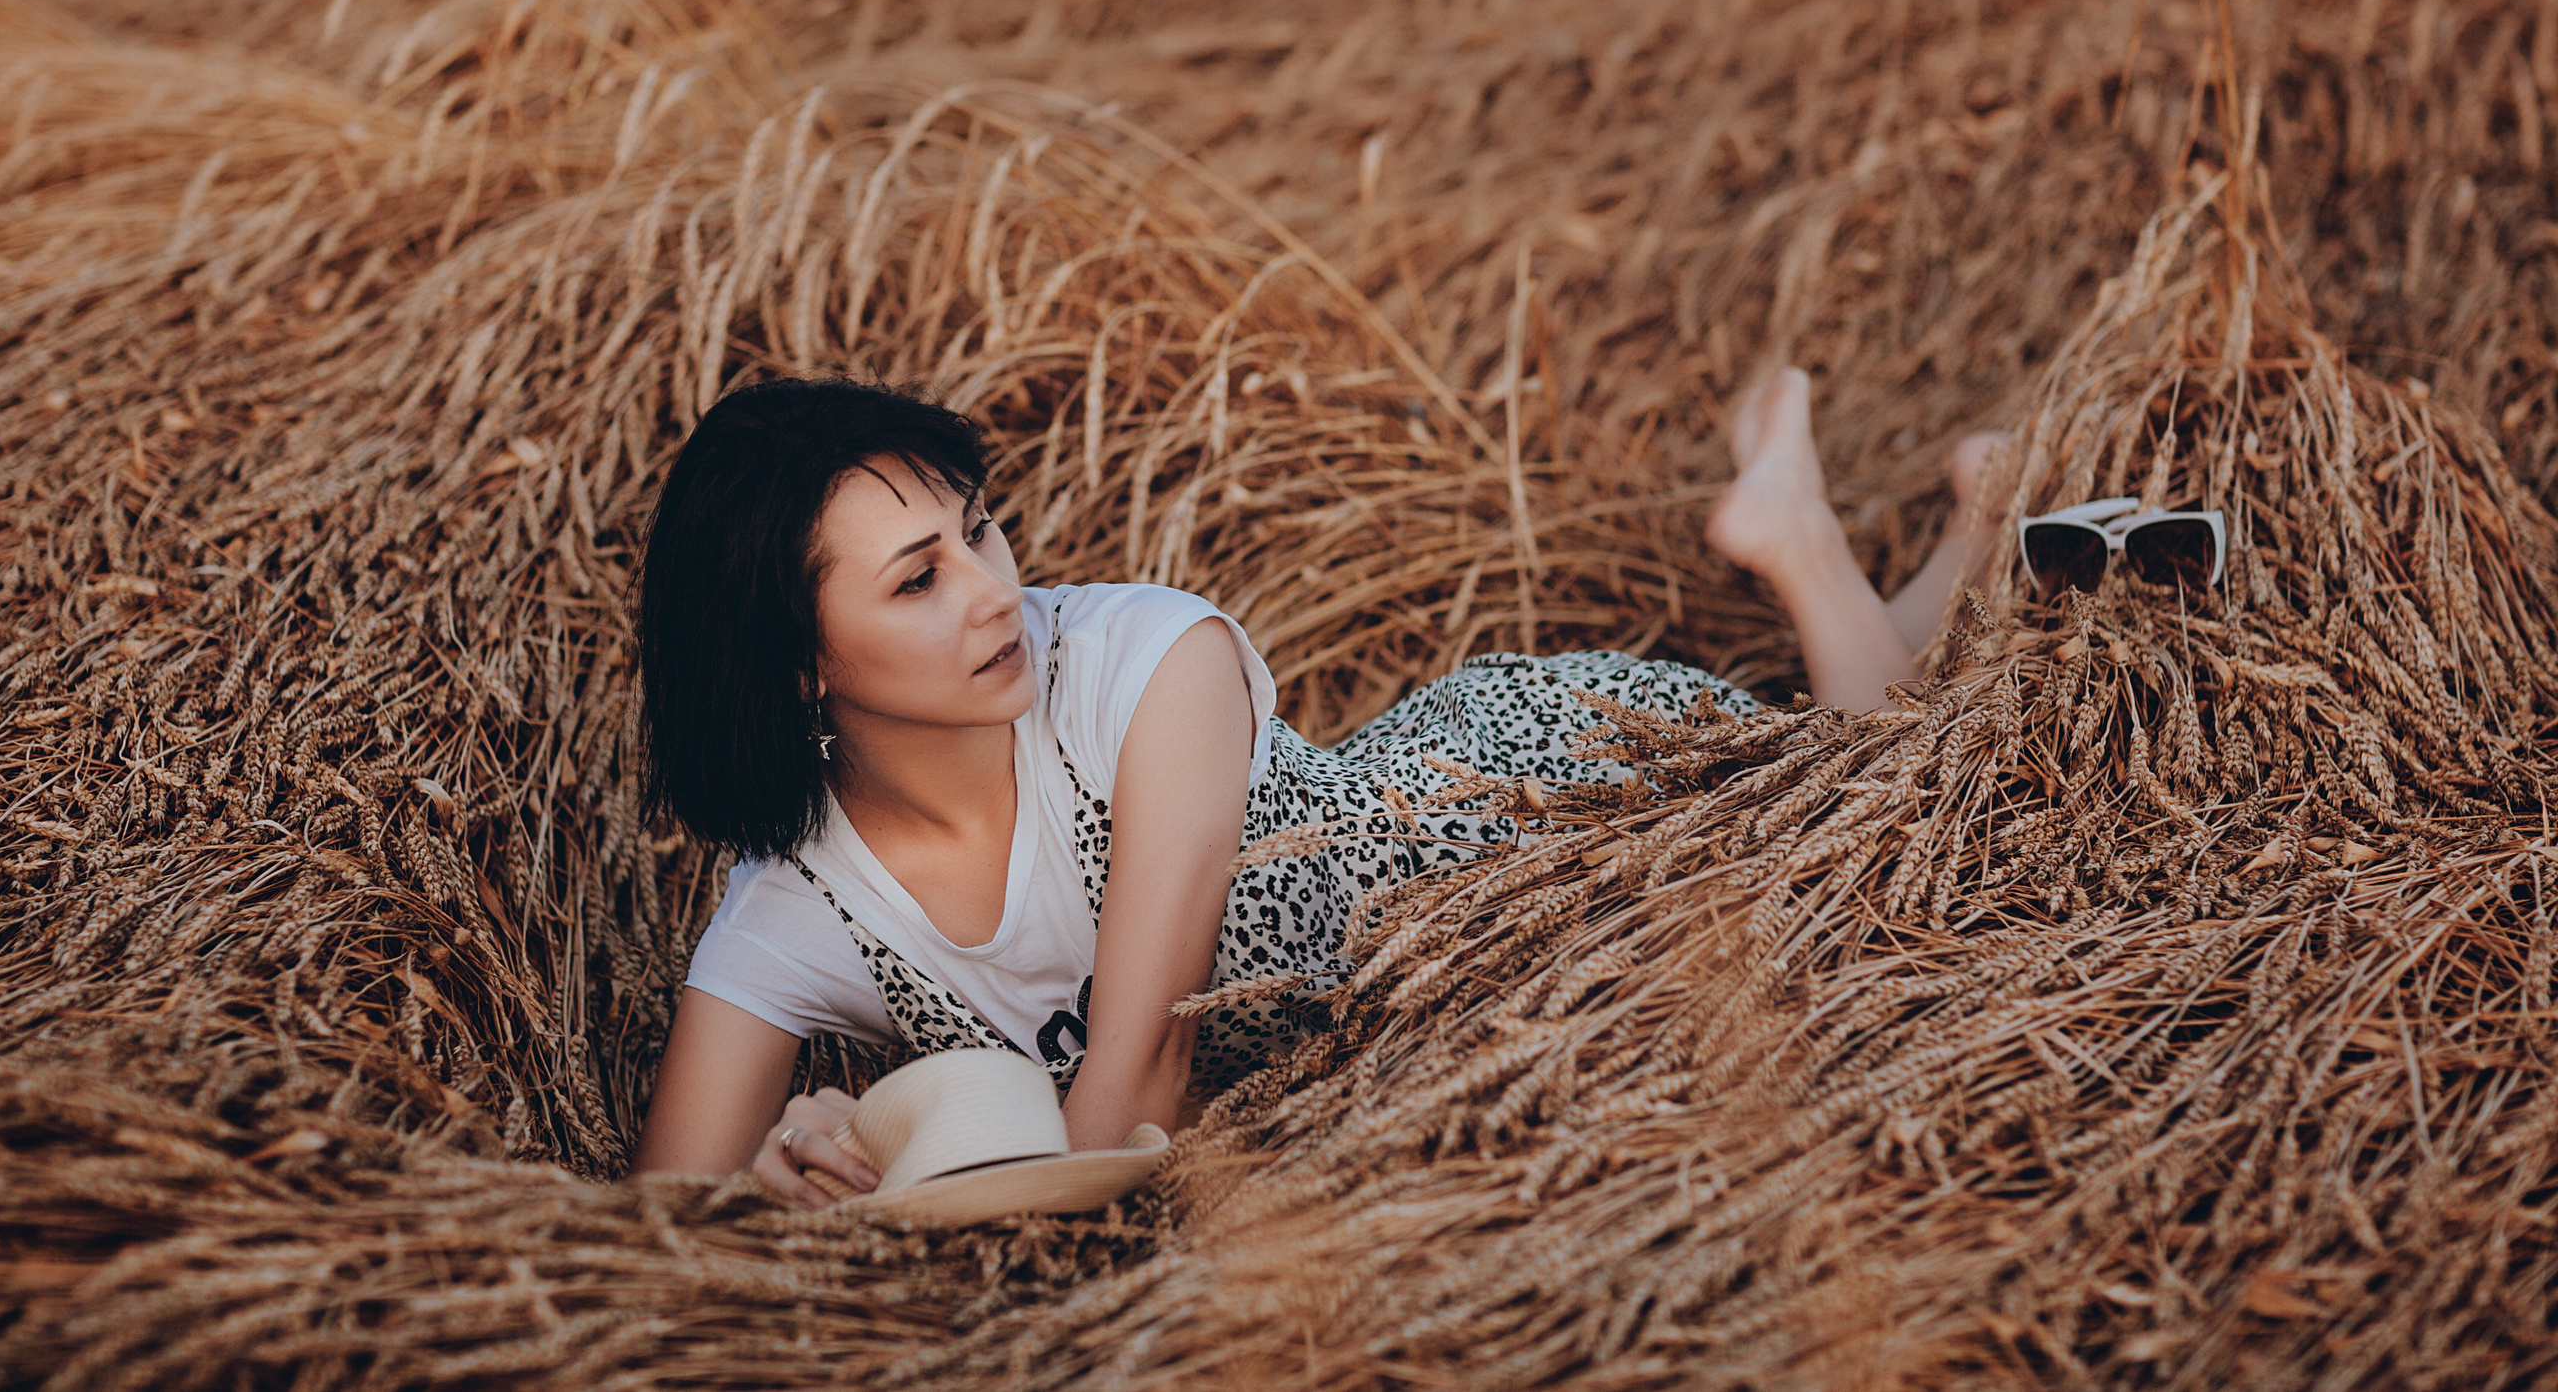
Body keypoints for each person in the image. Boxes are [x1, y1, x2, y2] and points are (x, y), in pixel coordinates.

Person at [629, 371, 1996, 1205]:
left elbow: (1141, 1082)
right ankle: (1940, 546)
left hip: (1505, 818)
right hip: (1403, 1021)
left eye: (980, 529)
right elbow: (656, 1237)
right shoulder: (801, 905)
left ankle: (1802, 543)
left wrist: (907, 1184)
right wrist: (792, 1172)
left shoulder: (1141, 663)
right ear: (800, 665)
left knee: (1876, 788)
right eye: (920, 580)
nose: (995, 593)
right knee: (1879, 719)